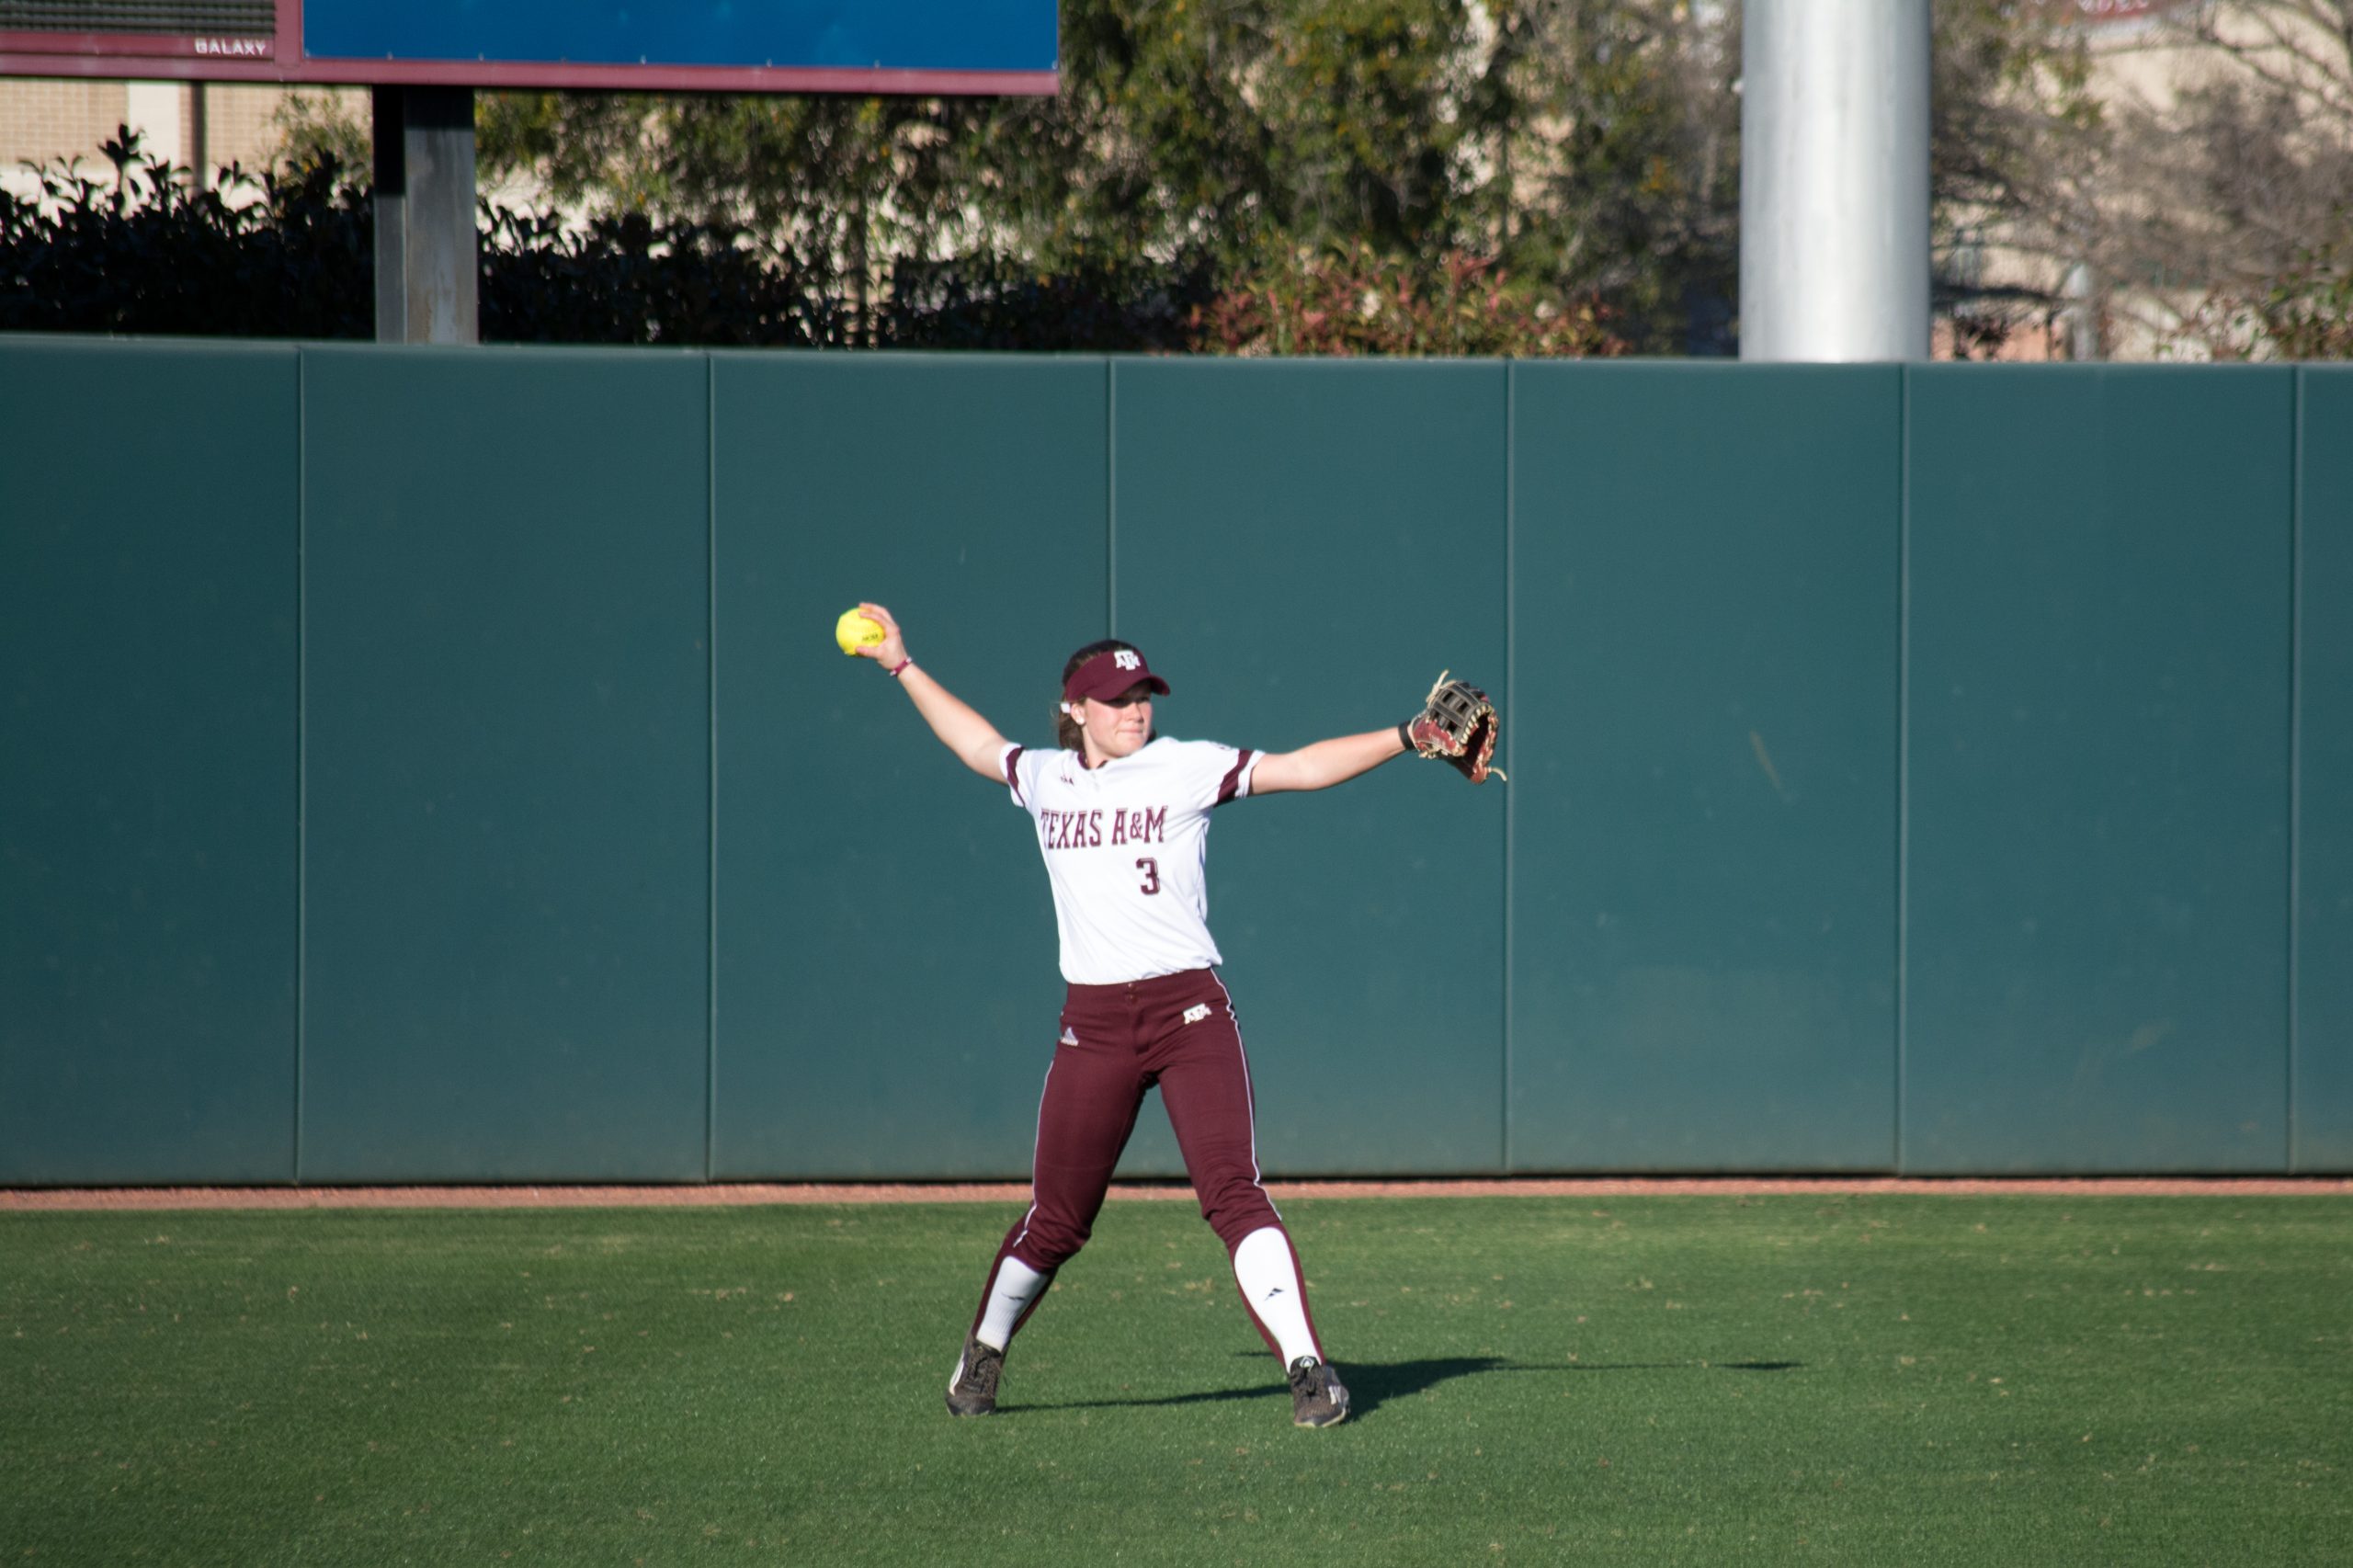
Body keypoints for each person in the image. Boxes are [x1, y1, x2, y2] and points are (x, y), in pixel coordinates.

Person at [847, 601, 1426, 1429]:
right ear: (1074, 710)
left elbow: (1300, 767)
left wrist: (1403, 735)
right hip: (1093, 1029)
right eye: (1116, 699)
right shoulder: (1045, 778)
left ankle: (1307, 1368)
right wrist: (901, 665)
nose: (1135, 709)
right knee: (1057, 1221)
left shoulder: (1183, 766)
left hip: (1189, 1011)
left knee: (1234, 1194)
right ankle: (983, 1351)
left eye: (1143, 694)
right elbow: (975, 742)